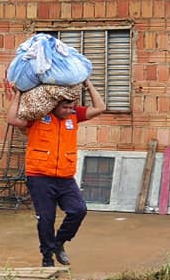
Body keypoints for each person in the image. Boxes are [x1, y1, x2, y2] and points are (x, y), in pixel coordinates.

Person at [6, 78, 107, 267]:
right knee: (46, 219)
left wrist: (88, 84)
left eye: (72, 107)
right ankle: (47, 259)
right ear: (54, 105)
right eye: (66, 108)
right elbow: (12, 119)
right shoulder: (38, 116)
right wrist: (18, 94)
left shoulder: (74, 116)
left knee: (79, 210)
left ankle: (59, 243)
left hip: (65, 177)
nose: (70, 111)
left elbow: (100, 107)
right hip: (39, 176)